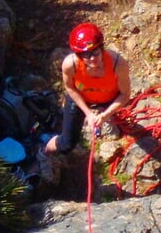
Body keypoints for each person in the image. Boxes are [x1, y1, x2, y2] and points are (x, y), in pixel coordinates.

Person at [44, 22, 131, 155]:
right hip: (81, 98)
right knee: (66, 144)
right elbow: (70, 88)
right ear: (79, 55)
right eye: (86, 55)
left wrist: (105, 115)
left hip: (109, 97)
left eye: (95, 52)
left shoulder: (118, 64)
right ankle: (43, 152)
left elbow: (125, 94)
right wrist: (88, 113)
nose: (92, 58)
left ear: (101, 48)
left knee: (123, 123)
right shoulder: (70, 65)